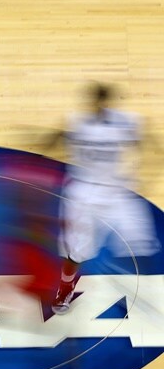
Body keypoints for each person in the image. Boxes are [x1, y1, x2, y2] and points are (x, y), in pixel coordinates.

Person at [51, 82, 161, 314]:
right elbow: (55, 139)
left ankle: (138, 291)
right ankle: (65, 288)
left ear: (106, 101)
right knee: (76, 251)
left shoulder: (125, 121)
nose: (98, 104)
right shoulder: (77, 122)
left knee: (138, 243)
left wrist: (146, 170)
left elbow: (147, 140)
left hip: (116, 192)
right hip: (83, 193)